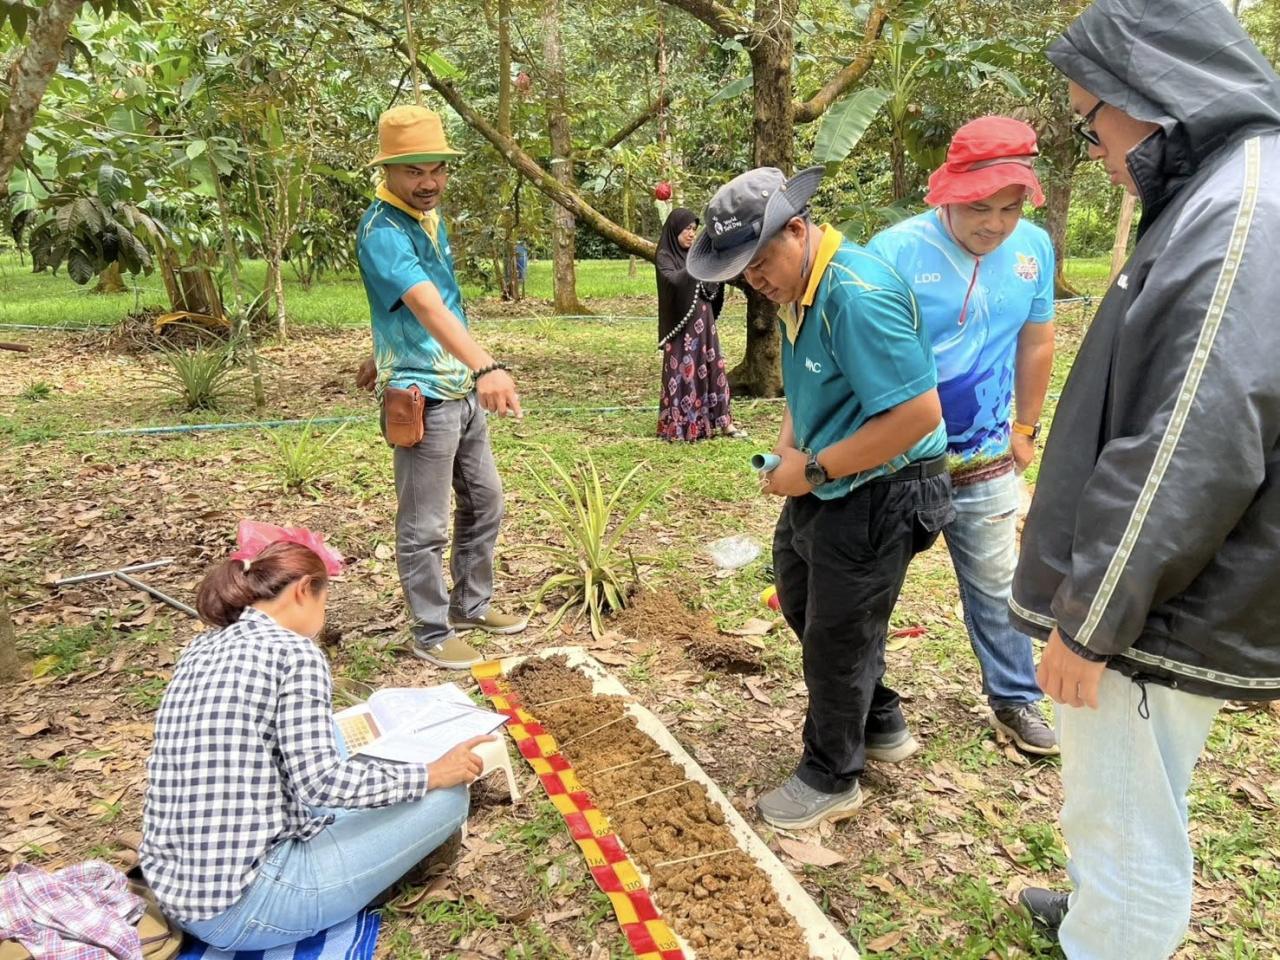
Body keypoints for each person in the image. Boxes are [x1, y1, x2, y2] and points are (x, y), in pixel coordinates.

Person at [1008, 1, 1280, 956]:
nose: (1097, 151)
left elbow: (1190, 444)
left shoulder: (1240, 214)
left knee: (1123, 803)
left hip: (1156, 608)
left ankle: (1113, 933)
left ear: (1146, 94)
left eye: (1091, 125)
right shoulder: (1233, 189)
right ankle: (1102, 912)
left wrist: (1092, 620)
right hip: (1174, 589)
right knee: (1137, 784)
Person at [687, 167, 954, 830]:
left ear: (798, 229)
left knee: (836, 635)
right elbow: (809, 388)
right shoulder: (800, 286)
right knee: (802, 593)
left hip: (883, 487)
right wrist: (789, 451)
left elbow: (917, 415)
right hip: (833, 475)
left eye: (760, 263)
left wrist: (812, 470)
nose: (755, 280)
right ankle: (878, 715)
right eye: (743, 272)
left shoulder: (855, 296)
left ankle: (832, 775)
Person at [140, 523, 494, 950]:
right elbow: (321, 782)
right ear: (304, 590)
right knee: (447, 799)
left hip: (176, 889)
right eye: (325, 601)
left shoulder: (203, 646)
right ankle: (363, 877)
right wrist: (432, 774)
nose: (324, 616)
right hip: (246, 906)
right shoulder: (295, 652)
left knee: (335, 733)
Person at [866, 116, 1057, 756]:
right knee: (872, 587)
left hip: (986, 454)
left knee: (999, 584)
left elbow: (1037, 342)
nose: (995, 224)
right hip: (897, 461)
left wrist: (1025, 427)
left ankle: (1016, 698)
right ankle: (866, 704)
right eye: (980, 207)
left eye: (1010, 208)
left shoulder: (1034, 250)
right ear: (948, 193)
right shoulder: (893, 252)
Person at [355, 105, 527, 669]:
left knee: (485, 500)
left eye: (437, 169)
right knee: (424, 523)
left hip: (458, 387)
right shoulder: (383, 231)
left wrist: (382, 346)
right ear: (387, 171)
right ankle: (430, 631)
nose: (428, 182)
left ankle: (470, 606)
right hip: (424, 396)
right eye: (414, 171)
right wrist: (486, 366)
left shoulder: (428, 220)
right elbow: (425, 305)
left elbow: (432, 303)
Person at [655, 207, 745, 441]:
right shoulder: (665, 256)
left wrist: (712, 266)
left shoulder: (693, 256)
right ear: (675, 230)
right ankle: (684, 425)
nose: (691, 234)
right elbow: (673, 282)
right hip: (682, 329)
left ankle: (724, 422)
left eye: (694, 230)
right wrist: (696, 267)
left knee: (713, 368)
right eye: (686, 229)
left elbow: (710, 286)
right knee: (684, 370)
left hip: (704, 325)